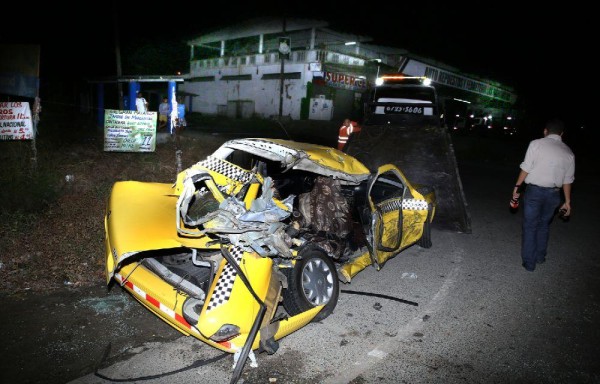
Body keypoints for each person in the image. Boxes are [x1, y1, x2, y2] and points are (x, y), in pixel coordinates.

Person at [512, 118, 575, 272]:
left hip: (534, 192)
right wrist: (567, 202)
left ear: (545, 131)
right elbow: (568, 180)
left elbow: (526, 168)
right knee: (544, 225)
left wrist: (517, 189)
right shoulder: (568, 152)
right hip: (554, 195)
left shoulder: (536, 144)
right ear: (562, 134)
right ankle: (540, 256)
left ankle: (529, 263)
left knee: (530, 226)